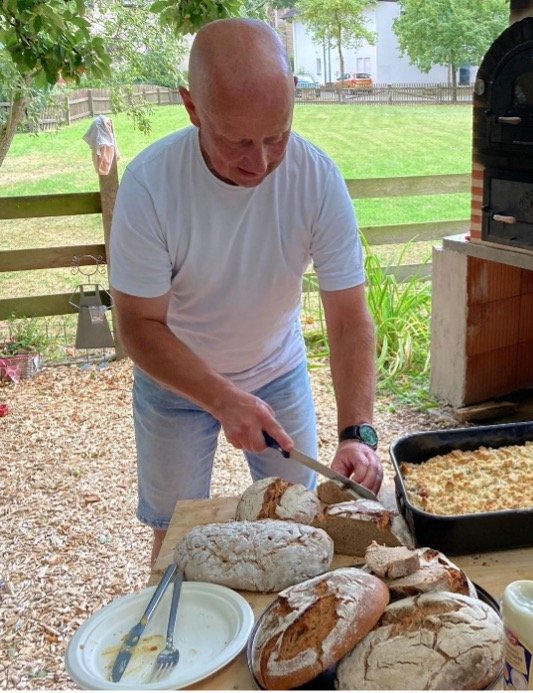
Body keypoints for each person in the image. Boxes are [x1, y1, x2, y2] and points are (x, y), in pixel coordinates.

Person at [109, 18, 383, 565]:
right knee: (175, 535)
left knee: (302, 522)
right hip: (175, 383)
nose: (260, 163)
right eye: (238, 141)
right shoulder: (150, 186)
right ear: (192, 108)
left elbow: (350, 319)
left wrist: (359, 432)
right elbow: (137, 328)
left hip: (277, 371)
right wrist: (221, 397)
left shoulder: (317, 179)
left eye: (276, 136)